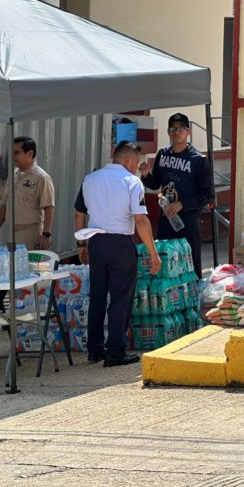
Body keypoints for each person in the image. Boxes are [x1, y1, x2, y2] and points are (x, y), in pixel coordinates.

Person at [74, 141, 161, 367]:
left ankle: (95, 349)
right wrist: (153, 252)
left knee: (97, 296)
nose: (136, 167)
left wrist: (81, 245)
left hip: (96, 242)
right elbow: (140, 219)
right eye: (136, 162)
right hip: (121, 244)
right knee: (121, 298)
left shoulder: (90, 179)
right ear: (128, 160)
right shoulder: (132, 182)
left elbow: (79, 213)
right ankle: (116, 350)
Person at [139, 113, 214, 279]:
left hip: (188, 221)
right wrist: (145, 175)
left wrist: (182, 204)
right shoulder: (162, 154)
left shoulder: (198, 159)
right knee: (166, 265)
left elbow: (208, 195)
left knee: (190, 266)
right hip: (166, 219)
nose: (176, 132)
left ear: (188, 132)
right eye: (173, 128)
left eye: (181, 128)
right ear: (168, 132)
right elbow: (155, 184)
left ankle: (195, 295)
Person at [0, 136, 55, 251]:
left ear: (29, 153)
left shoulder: (41, 177)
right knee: (12, 261)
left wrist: (46, 235)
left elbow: (49, 207)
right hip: (11, 232)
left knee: (26, 262)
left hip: (30, 233)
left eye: (16, 152)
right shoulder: (14, 175)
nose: (13, 156)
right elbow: (5, 204)